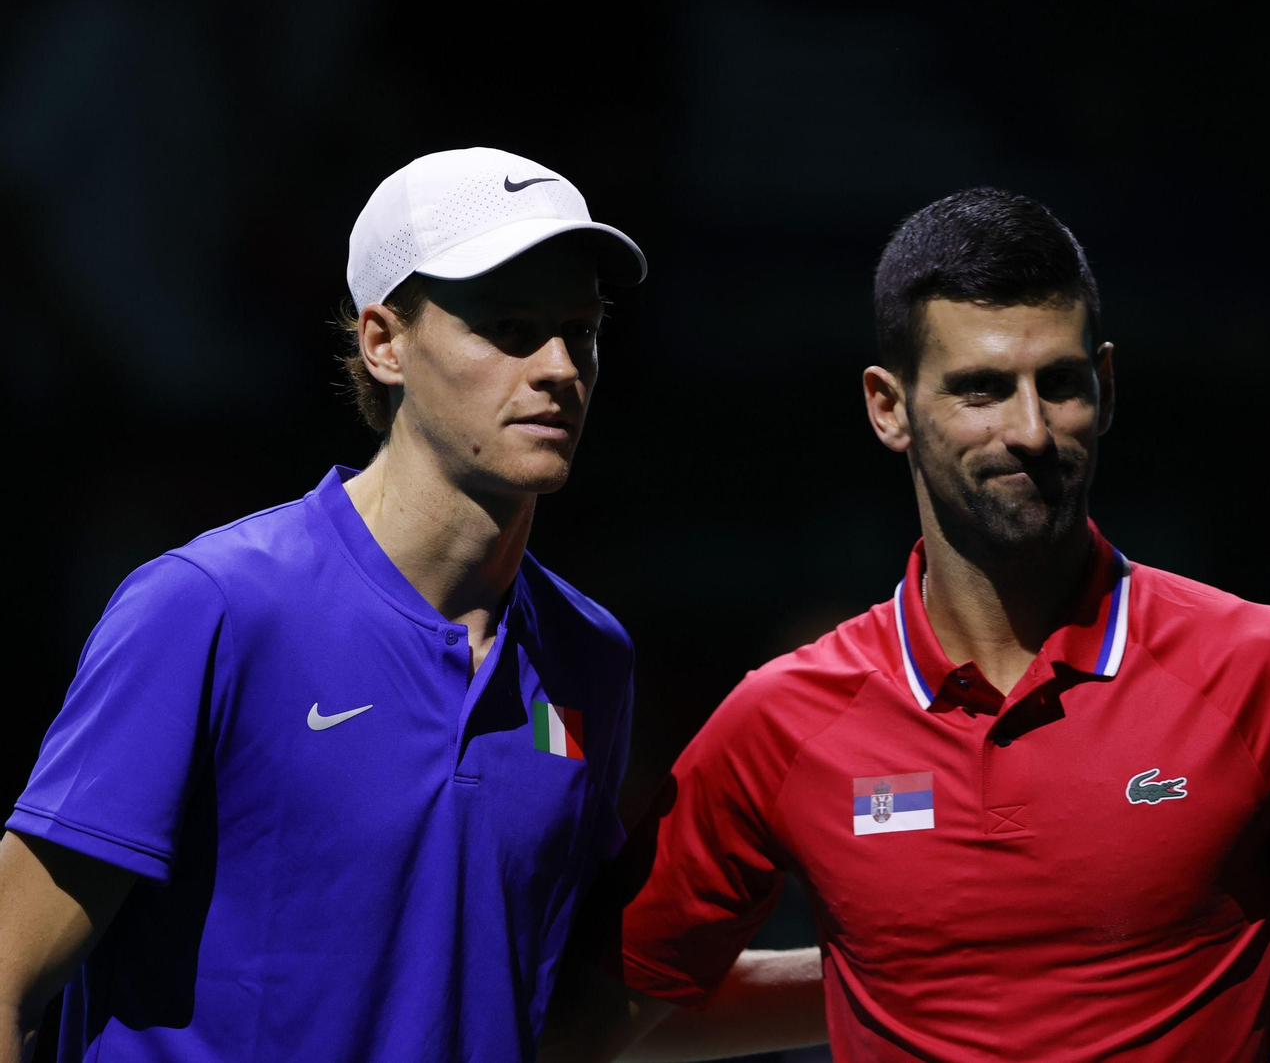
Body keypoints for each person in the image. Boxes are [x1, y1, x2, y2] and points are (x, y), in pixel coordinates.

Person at [577, 188, 1270, 1062]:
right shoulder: (781, 721)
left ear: (1108, 388)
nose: (1032, 430)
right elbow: (593, 1015)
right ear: (888, 407)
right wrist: (878, 977)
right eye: (981, 389)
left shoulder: (1266, 668)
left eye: (1062, 384)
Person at [0, 147, 803, 1063]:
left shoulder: (590, 655)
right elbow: (6, 971)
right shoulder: (209, 606)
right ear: (385, 344)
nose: (557, 368)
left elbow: (568, 1008)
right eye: (508, 327)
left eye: (579, 329)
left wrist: (918, 971)